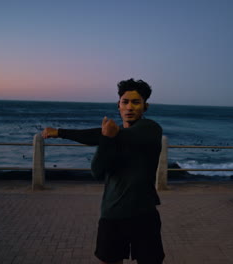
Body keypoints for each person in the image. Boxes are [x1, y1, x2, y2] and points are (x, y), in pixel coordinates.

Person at [42, 79, 165, 264]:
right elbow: (97, 171)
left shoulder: (150, 129)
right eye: (125, 102)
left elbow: (106, 134)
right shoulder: (110, 138)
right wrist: (105, 139)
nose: (129, 107)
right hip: (112, 214)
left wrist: (61, 132)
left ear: (145, 106)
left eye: (136, 102)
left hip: (144, 214)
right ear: (118, 105)